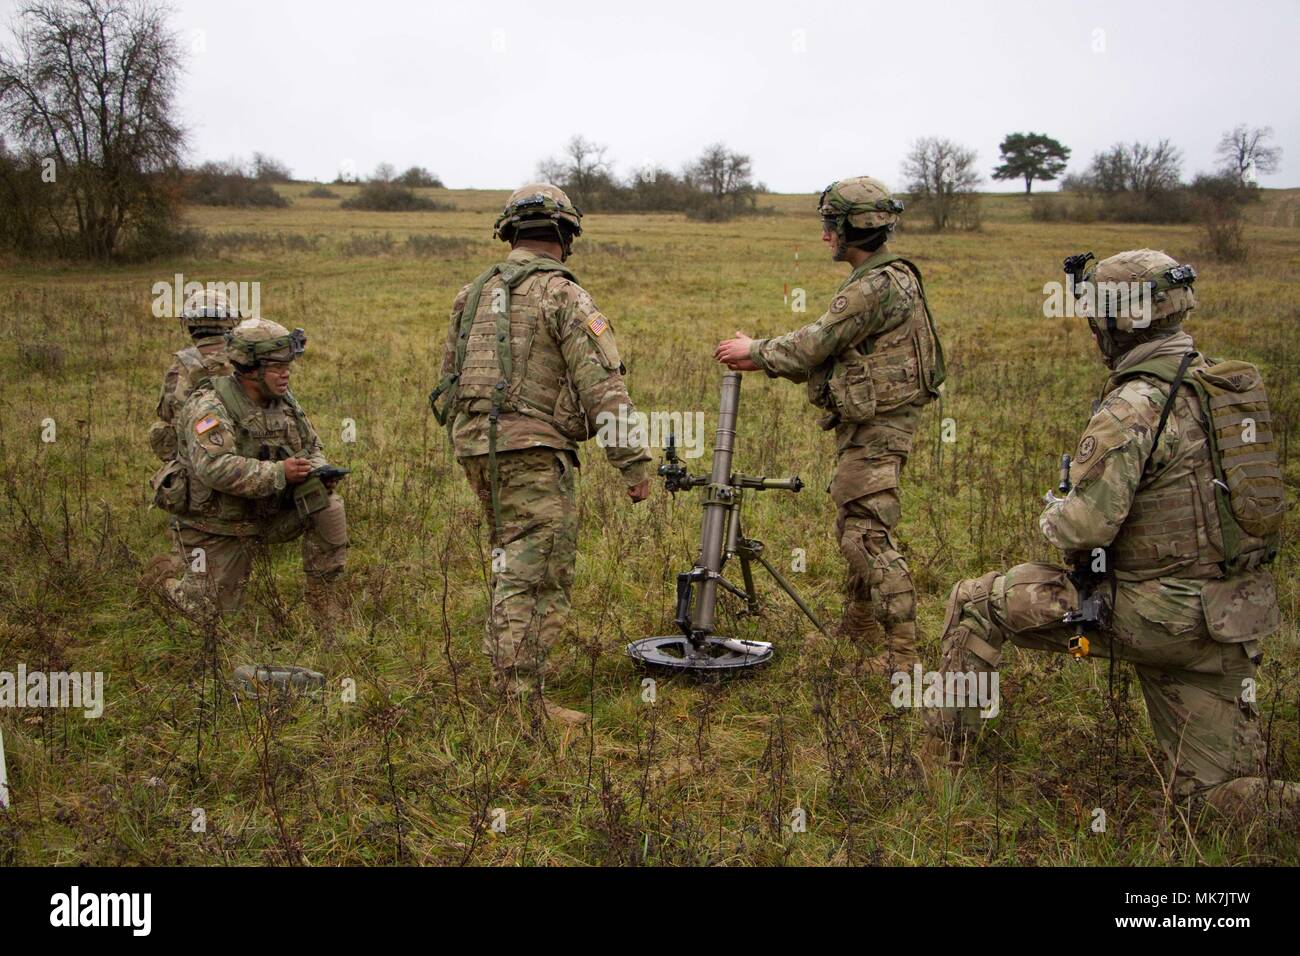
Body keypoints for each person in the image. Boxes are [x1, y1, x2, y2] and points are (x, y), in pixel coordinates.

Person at [924, 248, 1294, 817]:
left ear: (1119, 322)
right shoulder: (1224, 389)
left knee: (976, 601)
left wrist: (1054, 509)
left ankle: (941, 760)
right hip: (1230, 622)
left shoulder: (1133, 406)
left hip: (1158, 615)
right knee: (1216, 802)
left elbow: (1082, 530)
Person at [431, 183, 652, 724]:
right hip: (530, 449)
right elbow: (602, 386)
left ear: (509, 232)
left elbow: (448, 379)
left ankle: (506, 679)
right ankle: (517, 700)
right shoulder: (563, 294)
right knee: (537, 571)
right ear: (565, 235)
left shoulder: (472, 293)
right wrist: (634, 463)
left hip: (476, 446)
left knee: (512, 559)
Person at [714, 176, 945, 674]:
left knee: (865, 534)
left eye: (830, 226)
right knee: (855, 521)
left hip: (880, 425)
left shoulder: (873, 287)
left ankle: (903, 660)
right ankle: (860, 625)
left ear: (851, 230)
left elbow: (814, 344)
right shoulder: (890, 277)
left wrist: (752, 352)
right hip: (877, 421)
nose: (825, 237)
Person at [161, 318, 348, 625]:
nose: (286, 373)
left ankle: (324, 599)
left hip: (265, 514)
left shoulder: (284, 401)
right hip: (217, 525)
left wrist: (316, 471)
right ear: (250, 368)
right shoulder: (210, 405)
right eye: (276, 366)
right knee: (209, 618)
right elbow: (214, 468)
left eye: (288, 364)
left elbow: (312, 446)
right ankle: (165, 582)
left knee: (327, 505)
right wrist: (279, 474)